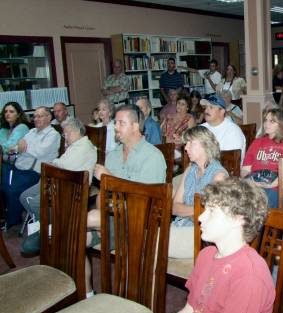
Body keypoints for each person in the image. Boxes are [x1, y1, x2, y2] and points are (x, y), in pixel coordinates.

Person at [165, 178, 275, 313]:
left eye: (211, 212)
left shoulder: (249, 274)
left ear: (237, 220)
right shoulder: (206, 255)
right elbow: (189, 311)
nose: (200, 217)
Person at [86, 104, 166, 296]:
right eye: (116, 123)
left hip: (138, 222)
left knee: (83, 221)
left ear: (135, 126)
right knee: (78, 239)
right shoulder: (113, 156)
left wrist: (110, 178)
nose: (116, 127)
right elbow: (103, 195)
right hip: (112, 218)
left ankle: (55, 230)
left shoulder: (153, 157)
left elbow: (145, 200)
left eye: (121, 123)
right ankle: (88, 293)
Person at [20, 118, 97, 255]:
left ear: (74, 132)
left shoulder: (84, 147)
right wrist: (55, 163)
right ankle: (46, 223)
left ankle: (47, 227)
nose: (64, 136)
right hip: (59, 180)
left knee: (35, 202)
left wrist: (53, 163)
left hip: (72, 187)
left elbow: (66, 166)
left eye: (66, 133)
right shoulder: (75, 145)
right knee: (24, 197)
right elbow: (62, 163)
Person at [168, 126, 227, 258]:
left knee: (153, 241)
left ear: (206, 145)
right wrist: (195, 210)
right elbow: (174, 207)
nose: (185, 148)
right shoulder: (190, 171)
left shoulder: (218, 176)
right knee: (147, 238)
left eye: (191, 143)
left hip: (201, 236)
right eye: (186, 143)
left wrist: (188, 210)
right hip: (180, 226)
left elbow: (208, 214)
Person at [1, 107, 60, 228]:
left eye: (40, 116)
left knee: (11, 191)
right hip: (19, 168)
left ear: (49, 118)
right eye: (35, 116)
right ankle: (7, 215)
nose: (36, 119)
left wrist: (24, 147)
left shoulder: (53, 134)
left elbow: (40, 152)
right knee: (3, 186)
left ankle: (11, 221)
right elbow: (17, 147)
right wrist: (18, 147)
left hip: (34, 172)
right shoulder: (32, 132)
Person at [242, 107, 283, 208]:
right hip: (254, 185)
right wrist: (252, 182)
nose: (266, 124)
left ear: (281, 123)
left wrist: (270, 184)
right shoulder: (257, 142)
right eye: (265, 120)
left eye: (272, 121)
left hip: (278, 190)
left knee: (258, 200)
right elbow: (245, 170)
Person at [201, 94, 246, 159]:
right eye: (206, 107)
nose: (206, 111)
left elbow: (229, 162)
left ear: (222, 111)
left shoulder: (233, 132)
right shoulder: (201, 128)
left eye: (211, 107)